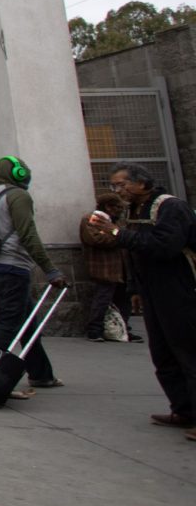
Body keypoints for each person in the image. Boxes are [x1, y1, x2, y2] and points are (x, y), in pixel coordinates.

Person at [90, 162, 196, 437]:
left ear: (142, 183)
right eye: (114, 185)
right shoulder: (135, 210)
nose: (118, 190)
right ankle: (184, 410)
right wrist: (135, 289)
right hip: (152, 289)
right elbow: (136, 254)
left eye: (122, 184)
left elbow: (164, 247)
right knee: (162, 352)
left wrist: (116, 232)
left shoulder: (170, 207)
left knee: (187, 350)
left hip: (179, 287)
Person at [0, 156, 68, 399]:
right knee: (10, 321)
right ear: (19, 173)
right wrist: (51, 269)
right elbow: (28, 234)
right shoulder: (18, 196)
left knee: (27, 321)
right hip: (11, 266)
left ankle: (41, 373)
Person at [79, 192, 137, 343]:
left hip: (122, 267)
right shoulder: (93, 219)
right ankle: (94, 330)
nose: (120, 210)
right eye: (117, 207)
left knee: (124, 299)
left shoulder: (115, 221)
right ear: (108, 207)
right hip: (105, 267)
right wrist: (119, 236)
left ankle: (123, 330)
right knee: (103, 299)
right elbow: (95, 239)